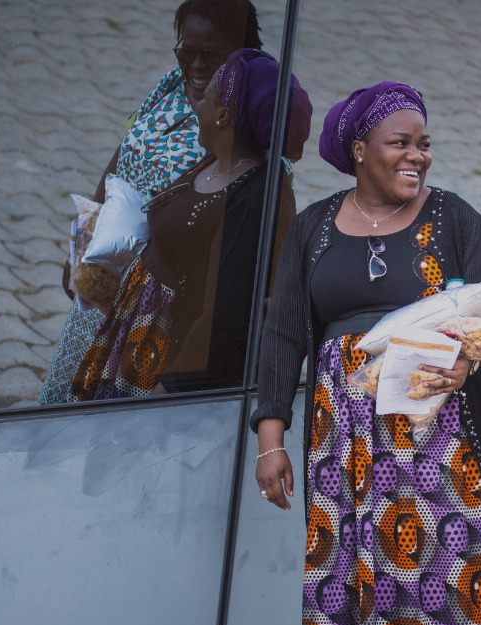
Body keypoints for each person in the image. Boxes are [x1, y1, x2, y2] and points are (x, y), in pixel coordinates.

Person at [251, 82, 481, 625]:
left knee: (442, 585)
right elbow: (284, 336)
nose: (418, 155)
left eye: (424, 142)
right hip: (344, 446)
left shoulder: (453, 221)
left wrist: (474, 358)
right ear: (359, 151)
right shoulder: (312, 229)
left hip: (438, 441)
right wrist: (270, 439)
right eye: (401, 142)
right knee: (356, 586)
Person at [40, 0, 264, 403]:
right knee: (77, 406)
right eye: (185, 52)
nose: (194, 66)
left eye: (209, 55)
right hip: (109, 281)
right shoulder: (169, 88)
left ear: (240, 52)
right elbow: (125, 152)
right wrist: (83, 247)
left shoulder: (248, 120)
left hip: (161, 308)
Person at [71, 49, 310, 399]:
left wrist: (170, 389)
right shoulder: (218, 161)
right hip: (139, 339)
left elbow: (223, 316)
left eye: (206, 98)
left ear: (224, 116)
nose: (195, 106)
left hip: (167, 364)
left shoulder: (256, 200)